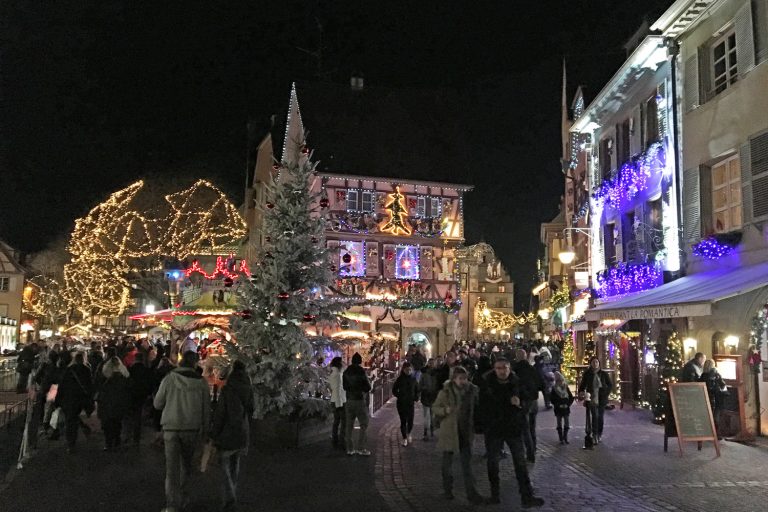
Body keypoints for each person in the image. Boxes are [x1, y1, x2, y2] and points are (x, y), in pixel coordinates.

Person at [478, 358, 544, 508]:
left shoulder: (517, 382)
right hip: (494, 429)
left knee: (520, 463)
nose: (502, 371)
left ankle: (526, 496)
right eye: (499, 368)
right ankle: (494, 495)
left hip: (513, 428)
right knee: (493, 463)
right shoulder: (487, 384)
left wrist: (520, 403)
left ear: (509, 368)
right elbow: (482, 406)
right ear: (494, 369)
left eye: (505, 367)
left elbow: (529, 399)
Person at [154, 351, 211, 512]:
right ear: (195, 364)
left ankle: (172, 504)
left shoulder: (169, 379)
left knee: (171, 468)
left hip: (171, 428)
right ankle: (184, 496)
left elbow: (158, 403)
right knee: (186, 465)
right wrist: (206, 432)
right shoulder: (201, 383)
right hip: (191, 429)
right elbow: (206, 410)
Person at [431, 366, 484, 504]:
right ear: (454, 379)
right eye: (460, 378)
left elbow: (478, 408)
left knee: (467, 465)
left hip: (465, 431)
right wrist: (445, 410)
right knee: (446, 465)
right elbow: (435, 407)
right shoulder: (445, 392)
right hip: (449, 432)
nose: (463, 381)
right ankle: (447, 490)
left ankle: (472, 493)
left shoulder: (472, 391)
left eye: (465, 378)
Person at [211, 360, 254, 512]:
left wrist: (214, 433)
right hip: (242, 431)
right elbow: (251, 409)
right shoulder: (248, 388)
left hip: (227, 432)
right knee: (235, 464)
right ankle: (231, 493)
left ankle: (230, 498)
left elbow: (220, 414)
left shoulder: (227, 390)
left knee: (224, 467)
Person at [54, 351, 94, 452]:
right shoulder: (86, 370)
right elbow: (89, 385)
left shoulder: (69, 370)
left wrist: (58, 399)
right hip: (81, 399)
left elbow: (62, 385)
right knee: (75, 417)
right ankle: (81, 430)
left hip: (69, 398)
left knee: (70, 420)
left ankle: (71, 443)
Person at [513, 348, 542, 463]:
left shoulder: (516, 370)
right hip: (533, 401)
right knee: (532, 427)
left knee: (525, 429)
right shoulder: (532, 369)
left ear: (517, 357)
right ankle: (533, 448)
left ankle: (530, 452)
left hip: (524, 401)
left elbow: (515, 385)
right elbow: (540, 383)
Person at [97, 356, 130, 451]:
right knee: (117, 424)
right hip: (118, 405)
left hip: (107, 405)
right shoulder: (123, 377)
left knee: (108, 425)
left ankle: (108, 443)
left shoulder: (105, 377)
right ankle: (117, 440)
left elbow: (100, 389)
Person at [577, 356, 612, 445]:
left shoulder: (603, 374)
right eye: (593, 362)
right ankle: (594, 435)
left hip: (602, 398)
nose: (595, 364)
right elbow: (583, 385)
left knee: (600, 417)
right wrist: (581, 392)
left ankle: (599, 434)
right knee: (594, 417)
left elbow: (610, 385)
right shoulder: (587, 374)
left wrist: (606, 393)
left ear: (599, 363)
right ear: (591, 364)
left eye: (596, 362)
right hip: (592, 398)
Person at [342, 352, 371, 456]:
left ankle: (350, 448)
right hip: (359, 400)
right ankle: (361, 448)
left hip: (349, 400)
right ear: (360, 361)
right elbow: (368, 387)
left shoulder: (346, 372)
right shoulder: (361, 371)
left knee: (349, 425)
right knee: (364, 424)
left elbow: (344, 387)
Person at [128, 352, 155, 445]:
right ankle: (136, 434)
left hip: (132, 394)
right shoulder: (146, 370)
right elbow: (150, 382)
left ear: (135, 359)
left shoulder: (131, 369)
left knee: (132, 413)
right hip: (142, 394)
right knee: (138, 413)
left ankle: (132, 433)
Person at [392, 362, 420, 446]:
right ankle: (404, 438)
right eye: (407, 369)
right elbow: (394, 390)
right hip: (401, 403)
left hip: (410, 403)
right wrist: (399, 396)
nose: (408, 371)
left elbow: (417, 390)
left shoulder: (413, 380)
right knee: (403, 421)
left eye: (410, 369)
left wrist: (416, 397)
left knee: (410, 420)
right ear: (403, 370)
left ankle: (409, 433)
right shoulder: (400, 379)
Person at [699, 359, 728, 438]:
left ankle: (706, 432)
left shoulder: (703, 375)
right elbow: (722, 385)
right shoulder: (716, 374)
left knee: (707, 415)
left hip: (706, 398)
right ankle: (716, 433)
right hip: (717, 397)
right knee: (716, 415)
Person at [550, 371, 574, 445]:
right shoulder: (554, 389)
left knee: (567, 423)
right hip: (558, 409)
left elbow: (571, 397)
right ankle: (561, 438)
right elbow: (552, 399)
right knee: (559, 423)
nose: (561, 382)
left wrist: (568, 404)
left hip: (566, 408)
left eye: (562, 380)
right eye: (559, 381)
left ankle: (565, 437)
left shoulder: (566, 388)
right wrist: (557, 404)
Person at [328, 356, 346, 449]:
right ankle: (342, 441)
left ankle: (335, 439)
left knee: (336, 421)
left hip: (334, 399)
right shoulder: (339, 374)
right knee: (343, 421)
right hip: (340, 401)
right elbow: (339, 389)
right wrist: (340, 404)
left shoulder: (332, 374)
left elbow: (332, 388)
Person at [420, 358, 439, 440]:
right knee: (427, 415)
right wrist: (424, 389)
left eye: (433, 363)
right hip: (426, 396)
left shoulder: (437, 373)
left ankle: (431, 430)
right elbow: (420, 384)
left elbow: (438, 384)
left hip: (434, 396)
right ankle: (426, 431)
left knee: (432, 415)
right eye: (430, 363)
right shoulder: (424, 374)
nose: (431, 365)